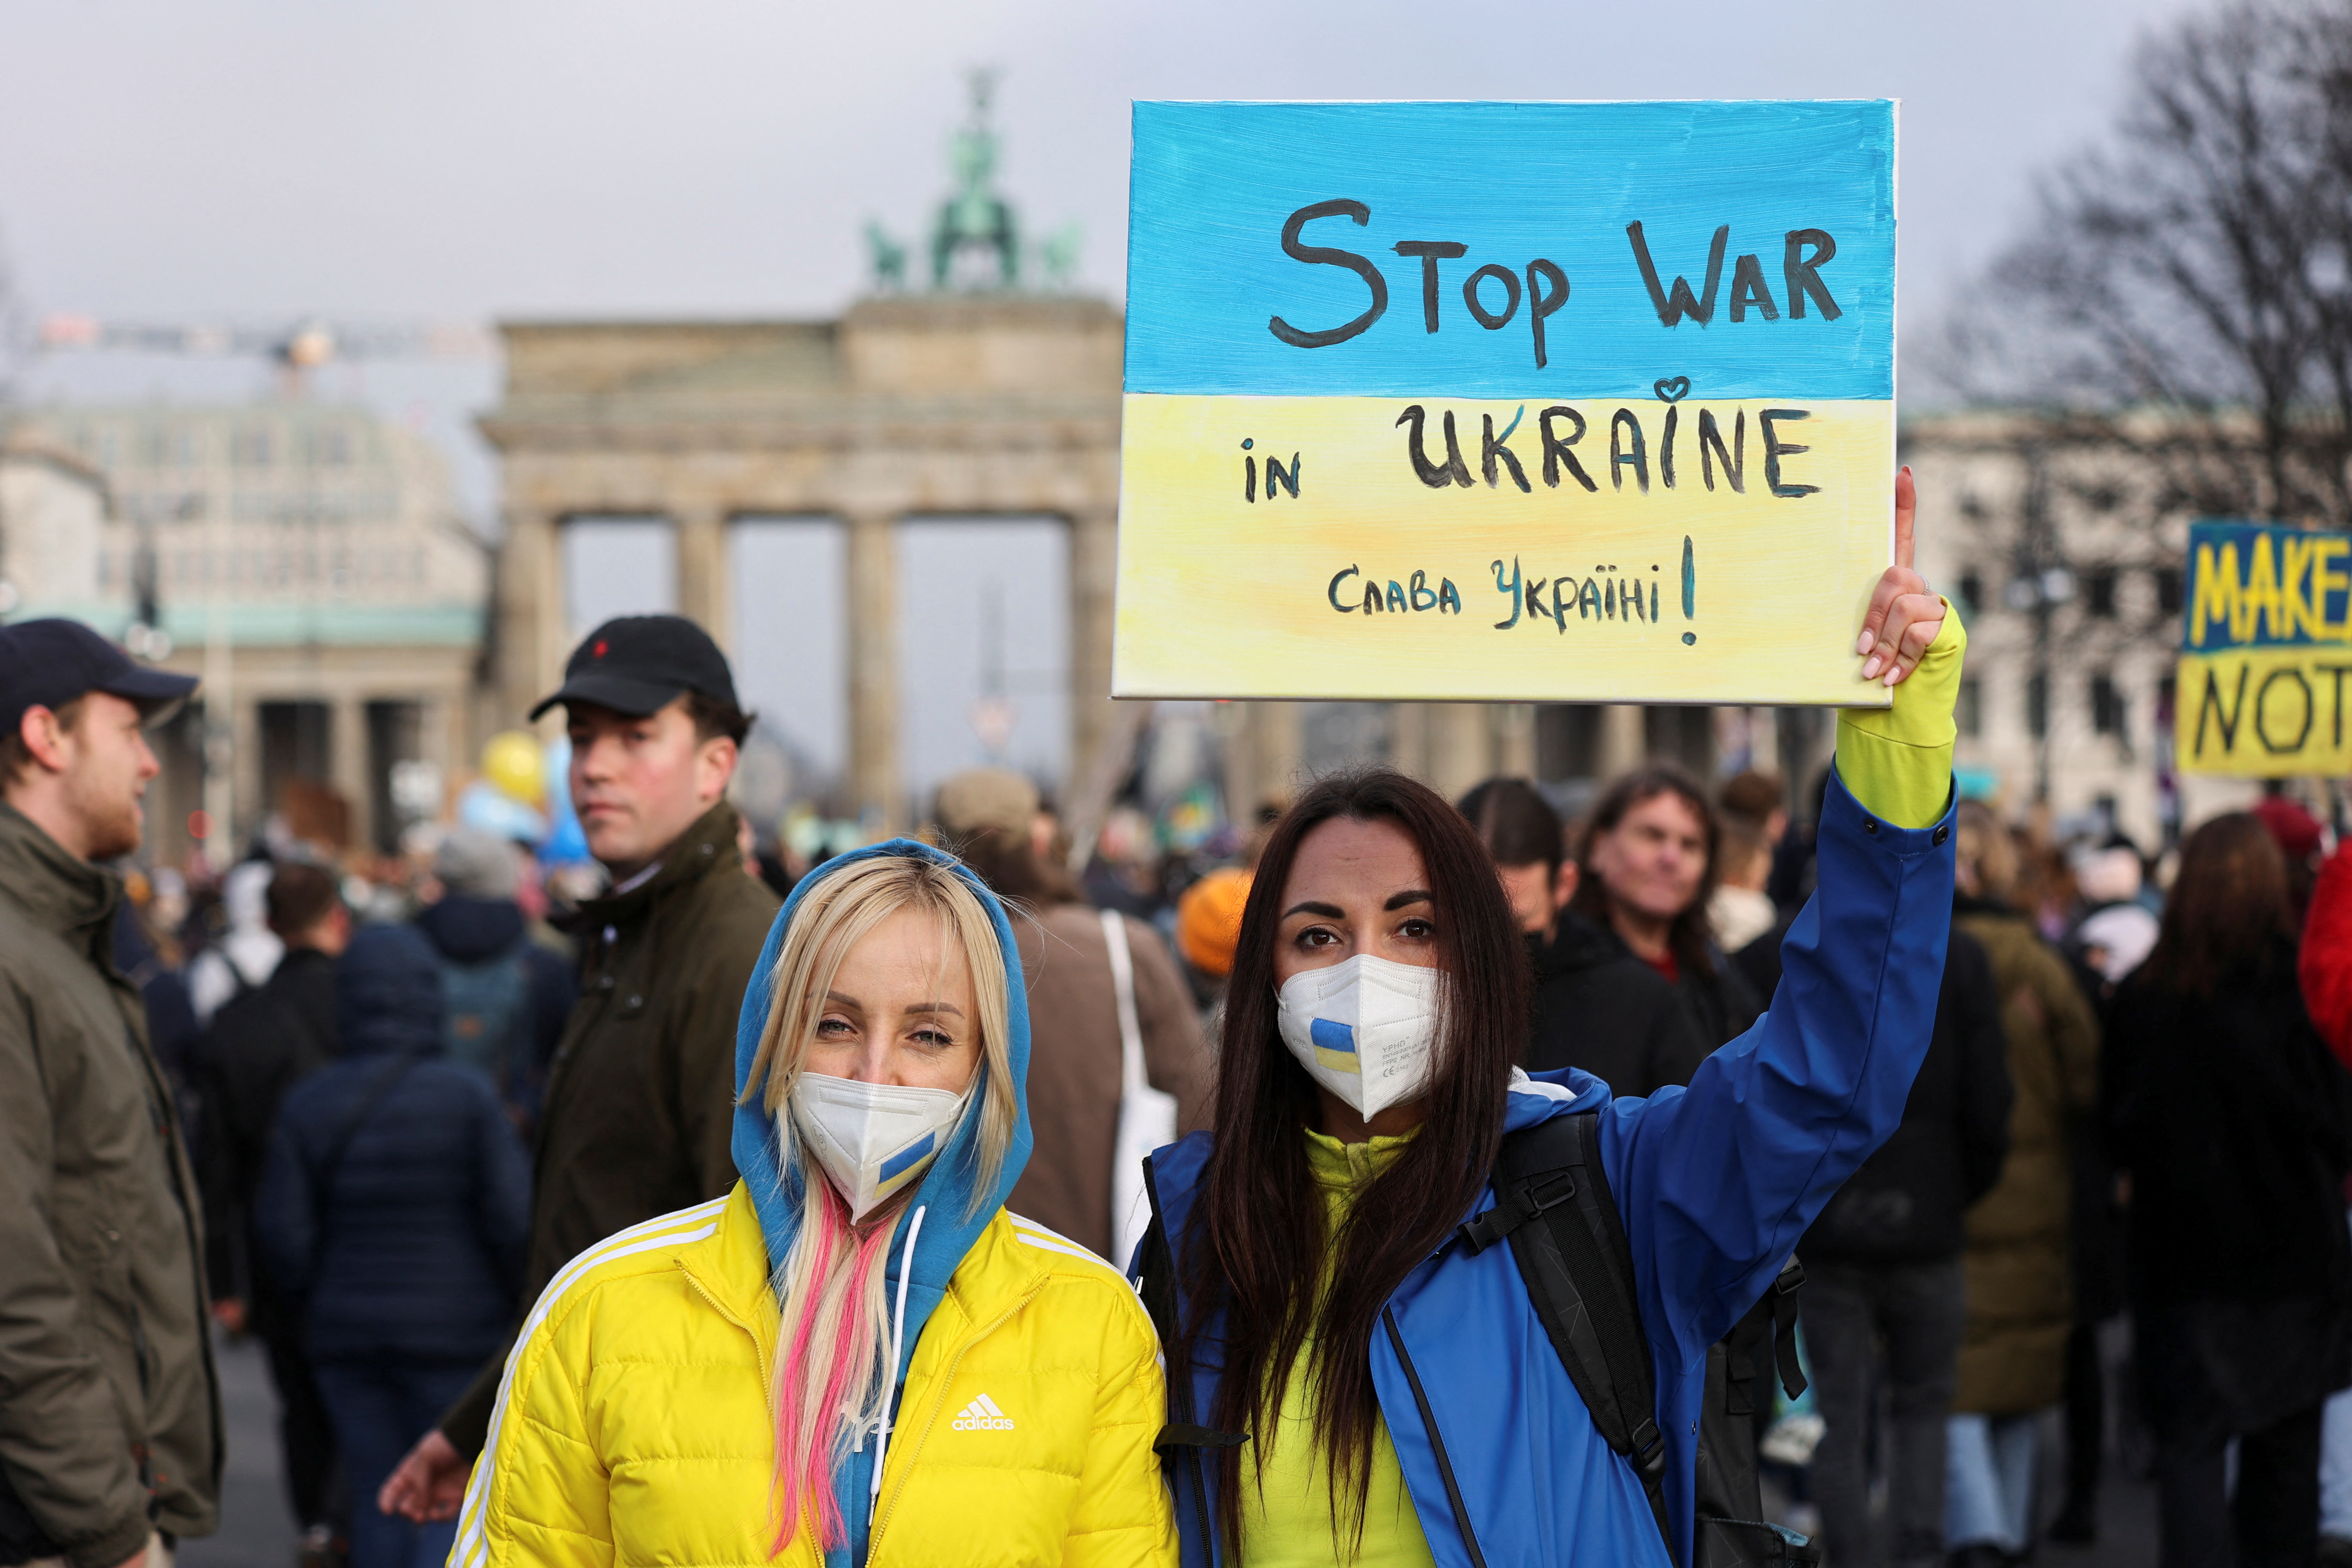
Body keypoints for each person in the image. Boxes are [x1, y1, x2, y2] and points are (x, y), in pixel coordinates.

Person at [1141, 478, 1965, 1565]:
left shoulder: (1611, 1192)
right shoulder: (1197, 1236)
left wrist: (1896, 741)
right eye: (1317, 935)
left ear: (1482, 960)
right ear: (1263, 980)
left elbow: (1829, 1068)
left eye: (1415, 927)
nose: (1366, 968)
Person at [450, 841, 1176, 1566]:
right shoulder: (600, 1307)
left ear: (985, 1064)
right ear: (775, 1039)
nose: (874, 1073)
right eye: (835, 1024)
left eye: (928, 1035)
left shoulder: (1093, 1323)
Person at [379, 614, 781, 1524]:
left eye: (635, 737)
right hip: (598, 1429)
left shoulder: (733, 949)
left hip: (659, 1462)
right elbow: (593, 1238)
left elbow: (746, 1256)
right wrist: (479, 1422)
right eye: (584, 737)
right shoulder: (632, 931)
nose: (595, 766)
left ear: (715, 765)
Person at [0, 618, 216, 1568]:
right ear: (45, 737)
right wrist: (111, 1529)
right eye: (128, 731)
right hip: (59, 1525)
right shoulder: (16, 954)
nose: (150, 763)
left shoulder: (62, 940)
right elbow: (13, 1283)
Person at [2106, 812, 2352, 1568]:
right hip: (2293, 1270)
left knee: (2189, 1461)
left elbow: (2116, 1128)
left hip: (2182, 1267)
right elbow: (2339, 1123)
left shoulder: (2143, 998)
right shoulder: (2295, 996)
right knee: (2285, 1477)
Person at [256, 925, 530, 1568]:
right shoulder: (467, 1097)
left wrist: (323, 1299)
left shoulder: (310, 1103)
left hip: (349, 1335)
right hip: (458, 1333)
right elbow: (514, 1219)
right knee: (446, 1494)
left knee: (376, 1490)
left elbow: (284, 1236)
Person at [1797, 927, 2012, 1568]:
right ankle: (1918, 1552)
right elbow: (1990, 1102)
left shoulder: (1811, 942)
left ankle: (1852, 1555)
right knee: (1923, 1406)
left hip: (1833, 1221)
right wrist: (1953, 1193)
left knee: (1837, 1415)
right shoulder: (1960, 956)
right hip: (1927, 1221)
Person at [934, 766, 1212, 1261]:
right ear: (1037, 842)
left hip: (966, 1260)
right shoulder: (1123, 947)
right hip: (1107, 1258)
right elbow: (1201, 1105)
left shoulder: (928, 958)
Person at [1945, 801, 2100, 1565]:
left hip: (1947, 1193)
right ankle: (2007, 1534)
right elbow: (2086, 1078)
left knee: (1953, 1381)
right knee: (2020, 1380)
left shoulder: (1918, 953)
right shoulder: (2038, 964)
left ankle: (1979, 1534)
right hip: (2035, 1193)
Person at [190, 861, 350, 1563]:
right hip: (362, 1235)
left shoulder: (238, 1021)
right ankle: (344, 1522)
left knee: (301, 1401)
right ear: (338, 918)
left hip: (273, 1242)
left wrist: (224, 1279)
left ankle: (319, 1521)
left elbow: (215, 1165)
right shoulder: (362, 1007)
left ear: (269, 922)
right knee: (361, 1404)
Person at [1455, 775, 1705, 1096]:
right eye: (1472, 923)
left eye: (1517, 927)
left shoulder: (1638, 1003)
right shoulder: (1419, 986)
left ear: (1564, 885)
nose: (1494, 946)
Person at [1572, 764, 1764, 1050]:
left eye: (1690, 845)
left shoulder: (1720, 981)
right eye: (1652, 835)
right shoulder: (1556, 976)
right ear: (1598, 847)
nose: (1671, 858)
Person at [413, 826, 573, 1135]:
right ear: (508, 877)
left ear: (444, 876)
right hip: (515, 1134)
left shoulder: (407, 954)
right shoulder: (545, 963)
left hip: (425, 1129)